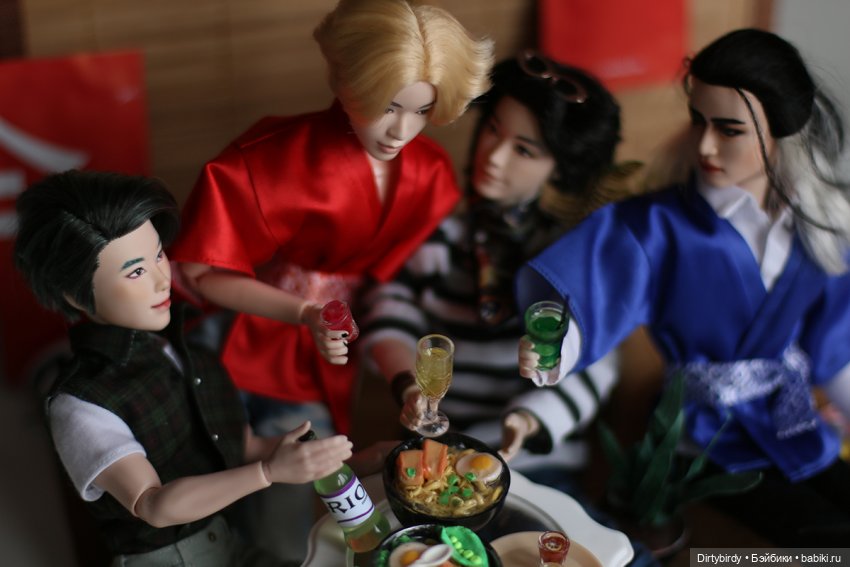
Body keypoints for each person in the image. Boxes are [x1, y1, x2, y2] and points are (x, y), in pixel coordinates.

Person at [168, 0, 493, 560]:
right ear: (344, 79)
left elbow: (393, 293)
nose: (401, 129)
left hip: (334, 351)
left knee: (305, 507)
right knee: (229, 501)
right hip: (246, 341)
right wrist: (302, 311)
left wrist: (405, 384)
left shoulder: (428, 173)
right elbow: (204, 272)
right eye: (387, 106)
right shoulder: (272, 158)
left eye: (421, 111)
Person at [517, 28, 850, 546]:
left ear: (782, 130)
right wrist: (555, 346)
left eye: (730, 129)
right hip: (700, 433)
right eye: (698, 121)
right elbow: (600, 286)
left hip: (786, 415)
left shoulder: (813, 223)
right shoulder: (657, 226)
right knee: (828, 539)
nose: (706, 145)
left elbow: (835, 345)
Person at [13, 169, 354, 566]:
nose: (162, 280)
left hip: (227, 542)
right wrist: (267, 471)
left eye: (159, 254)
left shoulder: (183, 349)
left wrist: (347, 460)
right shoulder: (80, 403)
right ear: (75, 295)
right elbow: (153, 505)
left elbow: (242, 445)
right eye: (136, 271)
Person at [362, 51, 627, 492]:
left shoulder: (572, 258)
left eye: (523, 150)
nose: (495, 155)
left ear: (560, 169)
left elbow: (598, 362)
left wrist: (528, 419)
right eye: (492, 129)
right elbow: (391, 309)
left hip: (535, 459)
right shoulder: (444, 234)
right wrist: (410, 387)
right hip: (437, 449)